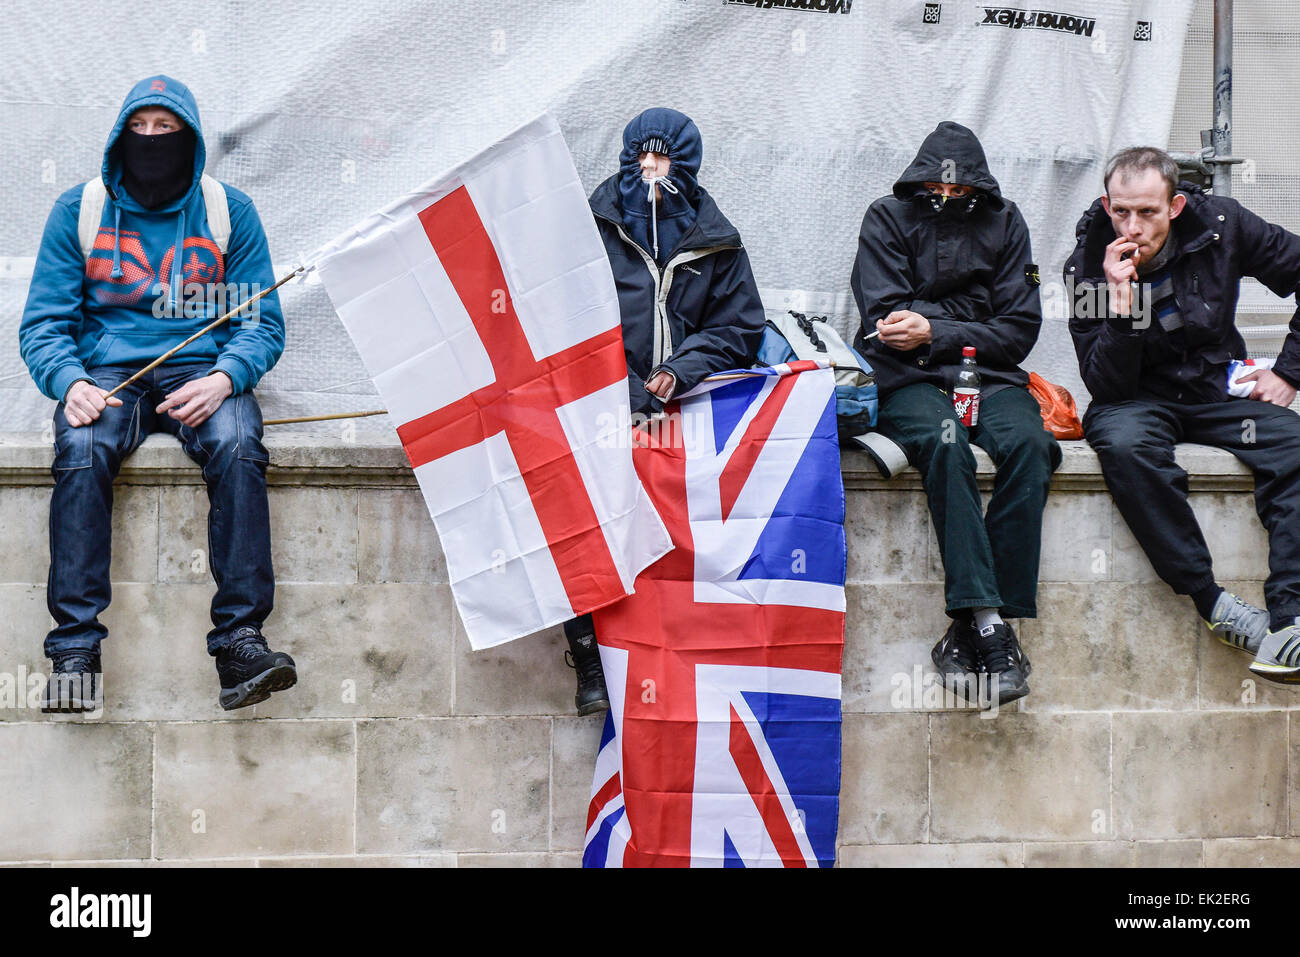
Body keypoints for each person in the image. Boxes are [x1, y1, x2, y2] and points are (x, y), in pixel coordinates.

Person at [19, 75, 295, 712]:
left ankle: (240, 643)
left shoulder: (230, 210)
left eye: (164, 130)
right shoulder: (79, 209)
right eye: (138, 129)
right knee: (81, 447)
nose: (150, 140)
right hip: (106, 375)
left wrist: (226, 377)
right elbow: (43, 326)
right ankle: (74, 652)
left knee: (237, 442)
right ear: (120, 137)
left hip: (202, 369)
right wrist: (71, 384)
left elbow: (262, 322)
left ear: (190, 138)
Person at [555, 107, 766, 715]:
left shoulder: (717, 239)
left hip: (685, 403)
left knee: (690, 525)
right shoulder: (591, 228)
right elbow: (567, 321)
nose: (651, 167)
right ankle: (588, 650)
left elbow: (738, 328)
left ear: (688, 164)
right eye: (641, 155)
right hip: (601, 400)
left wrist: (677, 374)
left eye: (664, 156)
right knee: (579, 506)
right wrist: (625, 390)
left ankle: (680, 657)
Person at [1067, 146, 1300, 684]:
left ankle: (1291, 621)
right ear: (1107, 205)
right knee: (1124, 446)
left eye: (1147, 212)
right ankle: (1212, 602)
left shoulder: (1223, 226)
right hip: (1136, 400)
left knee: (1294, 446)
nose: (1132, 225)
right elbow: (1105, 384)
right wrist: (1120, 306)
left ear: (1173, 207)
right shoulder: (1087, 266)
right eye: (1121, 211)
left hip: (1214, 388)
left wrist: (1288, 373)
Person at [851, 121, 1059, 706]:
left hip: (989, 376)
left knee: (1031, 445)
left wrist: (934, 326)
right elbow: (885, 319)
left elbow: (1018, 327)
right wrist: (971, 318)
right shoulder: (886, 218)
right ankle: (991, 622)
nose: (946, 199)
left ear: (978, 190)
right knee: (945, 443)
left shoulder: (1006, 221)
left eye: (959, 193)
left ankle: (967, 628)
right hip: (908, 379)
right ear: (918, 184)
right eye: (936, 191)